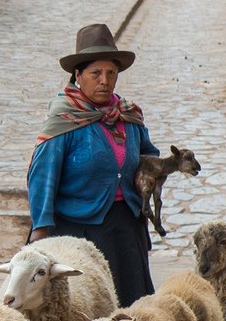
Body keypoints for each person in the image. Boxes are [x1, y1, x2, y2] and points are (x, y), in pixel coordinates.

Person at [26, 23, 159, 306]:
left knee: (133, 307)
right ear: (78, 75)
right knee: (89, 309)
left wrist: (153, 176)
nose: (105, 81)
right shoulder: (65, 121)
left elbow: (149, 156)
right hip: (81, 229)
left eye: (111, 73)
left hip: (127, 227)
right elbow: (42, 176)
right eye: (95, 73)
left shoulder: (128, 115)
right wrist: (41, 228)